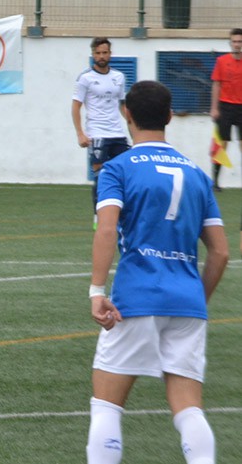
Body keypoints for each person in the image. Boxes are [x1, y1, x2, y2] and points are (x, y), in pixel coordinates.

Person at [86, 81, 229, 464]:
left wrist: (97, 290)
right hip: (187, 302)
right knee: (188, 408)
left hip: (136, 297)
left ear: (125, 114)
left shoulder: (117, 168)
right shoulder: (198, 174)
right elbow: (220, 251)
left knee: (106, 406)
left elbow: (106, 228)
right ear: (169, 117)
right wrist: (198, 296)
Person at [72, 37, 131, 228]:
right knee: (100, 175)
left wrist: (132, 125)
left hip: (117, 133)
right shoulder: (85, 78)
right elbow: (76, 107)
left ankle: (124, 213)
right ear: (93, 55)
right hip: (97, 133)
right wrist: (80, 134)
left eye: (105, 52)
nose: (101, 56)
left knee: (125, 173)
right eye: (98, 53)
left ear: (110, 54)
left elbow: (122, 105)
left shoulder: (119, 77)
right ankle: (98, 215)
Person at [210, 28, 242, 192]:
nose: (237, 45)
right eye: (235, 41)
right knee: (222, 144)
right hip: (225, 106)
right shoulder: (222, 61)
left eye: (240, 42)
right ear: (230, 43)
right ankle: (216, 181)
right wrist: (214, 108)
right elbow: (216, 84)